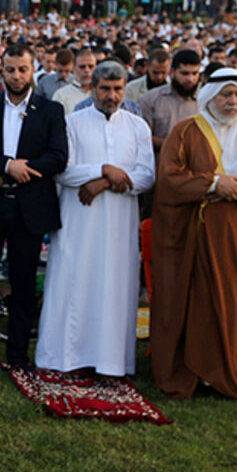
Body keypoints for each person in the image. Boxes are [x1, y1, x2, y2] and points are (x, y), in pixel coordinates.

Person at [150, 68, 237, 399]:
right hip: (194, 238)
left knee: (231, 303)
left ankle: (222, 372)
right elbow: (168, 179)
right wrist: (213, 183)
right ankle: (190, 372)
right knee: (194, 303)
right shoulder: (186, 131)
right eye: (226, 94)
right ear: (211, 96)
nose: (233, 101)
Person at [37, 61, 155, 376]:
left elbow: (146, 176)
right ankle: (64, 357)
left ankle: (111, 362)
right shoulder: (72, 122)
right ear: (94, 87)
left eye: (118, 89)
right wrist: (103, 170)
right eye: (105, 88)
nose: (111, 95)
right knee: (74, 282)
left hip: (119, 223)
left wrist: (105, 181)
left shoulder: (137, 126)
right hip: (79, 219)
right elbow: (64, 171)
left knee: (115, 286)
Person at [0, 44, 67, 371]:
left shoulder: (50, 111)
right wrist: (7, 166)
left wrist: (18, 171)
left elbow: (58, 158)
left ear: (33, 69)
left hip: (28, 206)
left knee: (23, 282)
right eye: (10, 70)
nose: (17, 76)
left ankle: (18, 354)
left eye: (22, 69)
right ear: (1, 71)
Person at [139, 48, 200, 152]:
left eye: (194, 73)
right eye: (184, 74)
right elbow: (142, 137)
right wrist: (176, 144)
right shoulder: (150, 99)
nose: (190, 79)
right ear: (172, 72)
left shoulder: (204, 101)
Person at [51, 47, 95, 114]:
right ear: (73, 68)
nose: (87, 70)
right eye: (82, 67)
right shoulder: (61, 96)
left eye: (91, 66)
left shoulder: (103, 93)